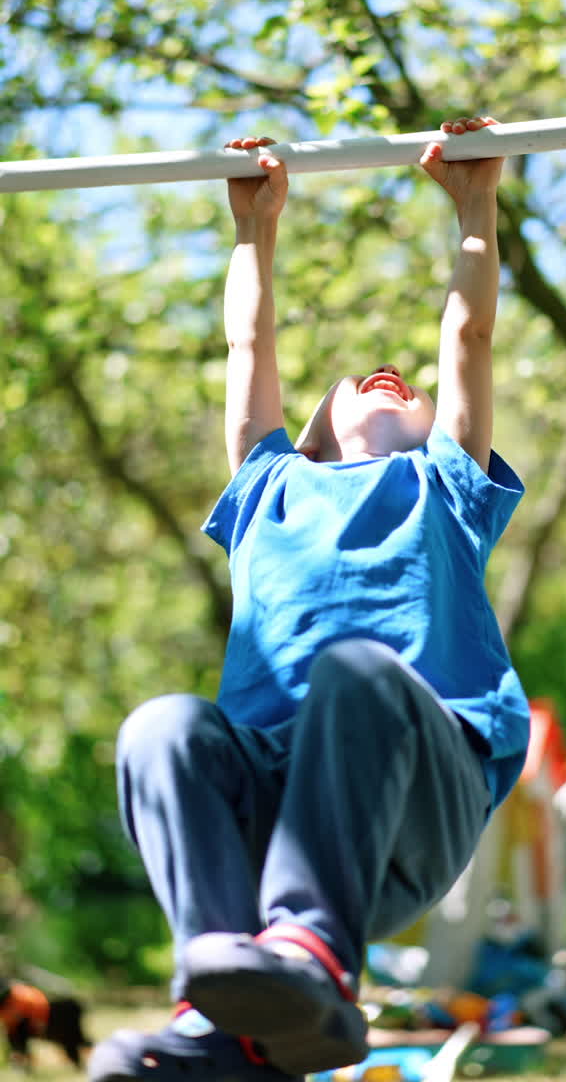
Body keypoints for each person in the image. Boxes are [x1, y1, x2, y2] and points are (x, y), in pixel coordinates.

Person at [89, 116, 530, 1082]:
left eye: (408, 388)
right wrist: (254, 231)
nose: (389, 373)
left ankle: (312, 958)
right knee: (162, 727)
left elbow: (470, 331)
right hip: (272, 811)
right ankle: (225, 1011)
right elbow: (246, 342)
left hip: (411, 800)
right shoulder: (266, 492)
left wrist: (474, 208)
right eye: (359, 380)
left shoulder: (447, 487)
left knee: (356, 674)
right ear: (313, 429)